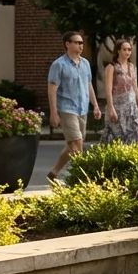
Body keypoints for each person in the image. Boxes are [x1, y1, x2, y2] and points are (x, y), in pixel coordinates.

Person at [47, 32, 101, 184]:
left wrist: (95, 105)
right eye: (77, 42)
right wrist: (53, 112)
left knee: (73, 146)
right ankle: (83, 178)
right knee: (76, 143)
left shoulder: (85, 64)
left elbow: (88, 84)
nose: (80, 45)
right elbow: (52, 89)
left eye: (81, 43)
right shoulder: (59, 65)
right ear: (67, 44)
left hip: (82, 108)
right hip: (67, 108)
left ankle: (53, 173)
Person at [102, 39, 138, 144]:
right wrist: (111, 108)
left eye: (129, 50)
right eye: (124, 49)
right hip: (118, 107)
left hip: (131, 107)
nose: (127, 52)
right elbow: (108, 90)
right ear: (118, 51)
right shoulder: (111, 67)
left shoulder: (132, 67)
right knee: (117, 136)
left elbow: (135, 88)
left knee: (135, 133)